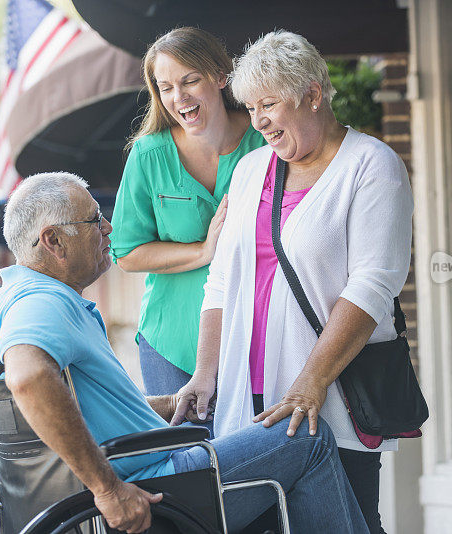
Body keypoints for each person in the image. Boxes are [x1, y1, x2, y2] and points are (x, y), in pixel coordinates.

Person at [0, 172, 367, 534]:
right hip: (156, 486)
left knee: (242, 428)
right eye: (95, 221)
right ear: (54, 241)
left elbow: (89, 409)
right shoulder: (42, 302)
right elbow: (28, 377)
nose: (108, 228)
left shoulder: (8, 297)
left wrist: (170, 403)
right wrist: (109, 491)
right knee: (306, 439)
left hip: (137, 470)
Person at [173, 31, 414, 534]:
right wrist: (204, 373)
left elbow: (373, 285)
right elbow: (220, 283)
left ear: (312, 94)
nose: (257, 120)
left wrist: (312, 381)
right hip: (247, 406)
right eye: (249, 106)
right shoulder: (251, 169)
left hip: (331, 402)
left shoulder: (371, 166)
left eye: (269, 104)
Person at [109, 27, 266, 405]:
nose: (178, 97)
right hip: (171, 344)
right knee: (186, 460)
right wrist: (201, 251)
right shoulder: (148, 156)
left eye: (190, 80)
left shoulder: (265, 141)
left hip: (256, 335)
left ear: (220, 76)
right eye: (165, 87)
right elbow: (127, 253)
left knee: (254, 457)